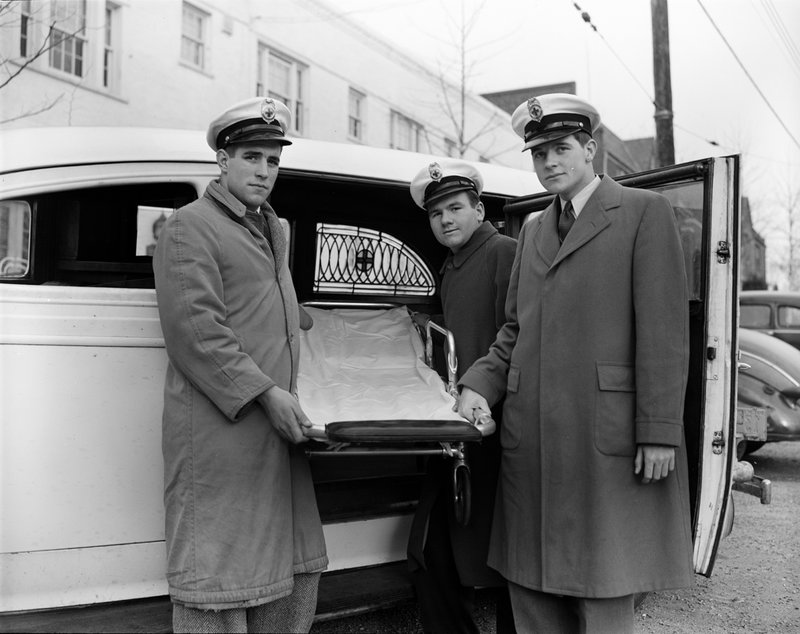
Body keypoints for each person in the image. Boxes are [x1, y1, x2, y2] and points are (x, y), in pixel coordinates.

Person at [457, 93, 694, 633]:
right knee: (531, 586)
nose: (549, 163)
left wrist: (658, 431)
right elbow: (514, 330)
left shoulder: (643, 213)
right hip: (534, 438)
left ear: (590, 149)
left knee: (601, 586)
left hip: (602, 439)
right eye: (538, 154)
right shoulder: (534, 229)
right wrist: (478, 386)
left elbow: (663, 333)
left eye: (561, 148)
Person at [153, 97, 327, 634]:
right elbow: (198, 334)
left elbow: (266, 305)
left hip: (275, 430)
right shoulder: (189, 226)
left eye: (273, 161)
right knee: (220, 576)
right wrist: (268, 394)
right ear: (222, 160)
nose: (264, 171)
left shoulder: (270, 229)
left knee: (286, 567)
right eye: (252, 156)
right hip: (222, 430)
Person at [407, 160, 517, 634]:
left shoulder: (504, 253)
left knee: (509, 551)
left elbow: (516, 334)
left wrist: (484, 395)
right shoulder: (450, 266)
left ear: (480, 209)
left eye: (456, 208)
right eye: (436, 214)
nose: (446, 219)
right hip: (456, 423)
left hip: (496, 424)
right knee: (430, 546)